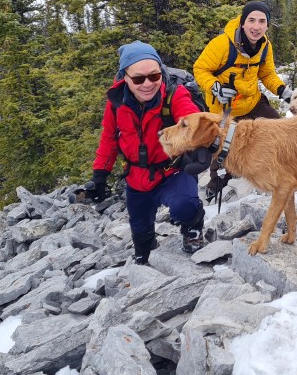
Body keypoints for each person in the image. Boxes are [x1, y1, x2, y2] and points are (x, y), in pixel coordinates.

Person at [88, 41, 210, 264]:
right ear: (124, 78)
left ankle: (192, 228)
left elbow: (193, 119)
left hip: (172, 171)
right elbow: (109, 139)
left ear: (161, 72)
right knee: (141, 238)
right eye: (138, 79)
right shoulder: (116, 103)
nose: (147, 84)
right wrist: (100, 175)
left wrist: (202, 144)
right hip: (136, 177)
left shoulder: (174, 95)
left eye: (154, 76)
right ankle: (146, 253)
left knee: (184, 205)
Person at [193, 0, 292, 199]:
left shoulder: (265, 46)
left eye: (262, 21)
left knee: (282, 130)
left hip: (252, 102)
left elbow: (267, 74)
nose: (256, 27)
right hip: (224, 108)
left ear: (267, 25)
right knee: (222, 149)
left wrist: (282, 90)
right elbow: (200, 69)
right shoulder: (222, 43)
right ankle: (217, 182)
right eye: (251, 20)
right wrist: (216, 88)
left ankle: (278, 168)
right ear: (243, 22)